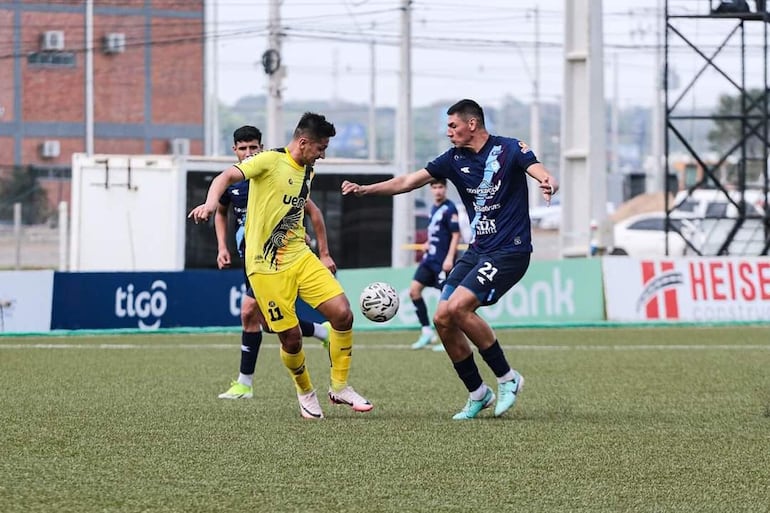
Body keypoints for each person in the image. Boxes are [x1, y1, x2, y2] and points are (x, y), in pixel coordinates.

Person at [341, 99, 558, 420]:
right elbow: (406, 182)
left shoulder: (509, 149)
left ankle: (508, 378)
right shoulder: (452, 160)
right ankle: (478, 393)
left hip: (510, 251)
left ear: (472, 124)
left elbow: (538, 169)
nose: (448, 132)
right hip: (478, 251)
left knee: (458, 308)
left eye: (452, 126)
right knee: (443, 317)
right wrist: (365, 190)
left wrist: (546, 180)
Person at [190, 112, 372, 419]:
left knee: (342, 313)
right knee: (289, 336)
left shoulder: (307, 171)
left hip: (299, 255)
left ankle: (340, 387)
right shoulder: (269, 161)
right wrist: (210, 204)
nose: (323, 154)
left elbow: (304, 212)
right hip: (264, 265)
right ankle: (305, 392)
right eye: (320, 148)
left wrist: (323, 252)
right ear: (303, 142)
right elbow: (224, 177)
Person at [215, 125, 330, 400]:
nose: (248, 153)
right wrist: (222, 246)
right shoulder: (234, 183)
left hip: (273, 256)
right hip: (250, 258)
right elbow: (221, 213)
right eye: (242, 149)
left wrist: (322, 251)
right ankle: (320, 331)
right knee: (267, 323)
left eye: (253, 147)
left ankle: (245, 384)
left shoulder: (269, 172)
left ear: (261, 147)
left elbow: (312, 211)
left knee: (247, 313)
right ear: (235, 151)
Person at [410, 178, 461, 351]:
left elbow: (455, 235)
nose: (438, 190)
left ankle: (451, 339)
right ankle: (426, 331)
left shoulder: (450, 208)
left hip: (442, 261)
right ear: (431, 190)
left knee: (446, 302)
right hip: (429, 259)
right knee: (414, 291)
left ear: (445, 189)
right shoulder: (433, 208)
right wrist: (427, 243)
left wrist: (449, 258)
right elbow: (436, 232)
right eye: (435, 187)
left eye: (441, 187)